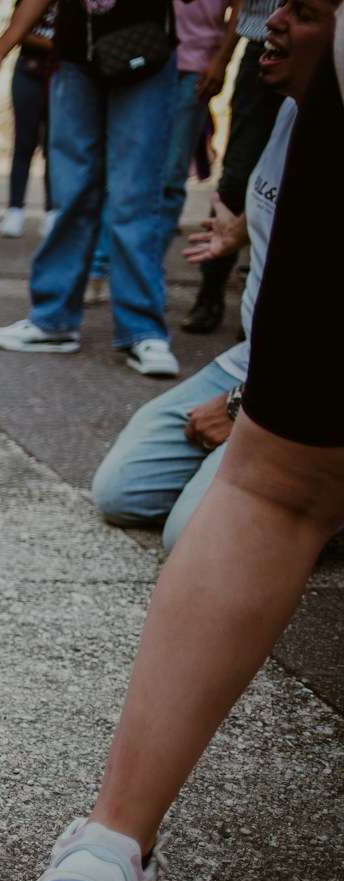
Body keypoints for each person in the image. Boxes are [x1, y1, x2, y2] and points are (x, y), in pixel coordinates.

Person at [14, 0, 344, 881]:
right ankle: (113, 839)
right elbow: (277, 484)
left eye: (301, 11)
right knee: (237, 491)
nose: (271, 25)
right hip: (261, 377)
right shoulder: (296, 121)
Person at [89, 0, 293, 556]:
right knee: (121, 493)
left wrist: (238, 407)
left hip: (308, 385)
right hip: (254, 360)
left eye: (301, 10)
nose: (269, 19)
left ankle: (308, 493)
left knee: (192, 537)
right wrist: (242, 231)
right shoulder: (287, 109)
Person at [0, 0, 182, 380]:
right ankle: (53, 320)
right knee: (71, 193)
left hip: (144, 50)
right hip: (74, 55)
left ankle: (143, 330)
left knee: (135, 194)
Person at [84, 0, 233, 306]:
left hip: (197, 66)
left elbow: (243, 11)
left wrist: (222, 59)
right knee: (124, 171)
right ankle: (99, 266)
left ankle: (146, 270)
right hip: (143, 52)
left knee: (170, 176)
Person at [183, 0, 283, 334]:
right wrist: (222, 58)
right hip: (263, 46)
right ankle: (211, 292)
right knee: (238, 177)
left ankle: (265, 306)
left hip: (323, 47)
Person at [0, 0, 56, 239]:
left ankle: (53, 210)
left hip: (60, 73)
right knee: (24, 142)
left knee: (55, 146)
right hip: (30, 70)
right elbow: (19, 31)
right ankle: (15, 209)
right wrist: (54, 45)